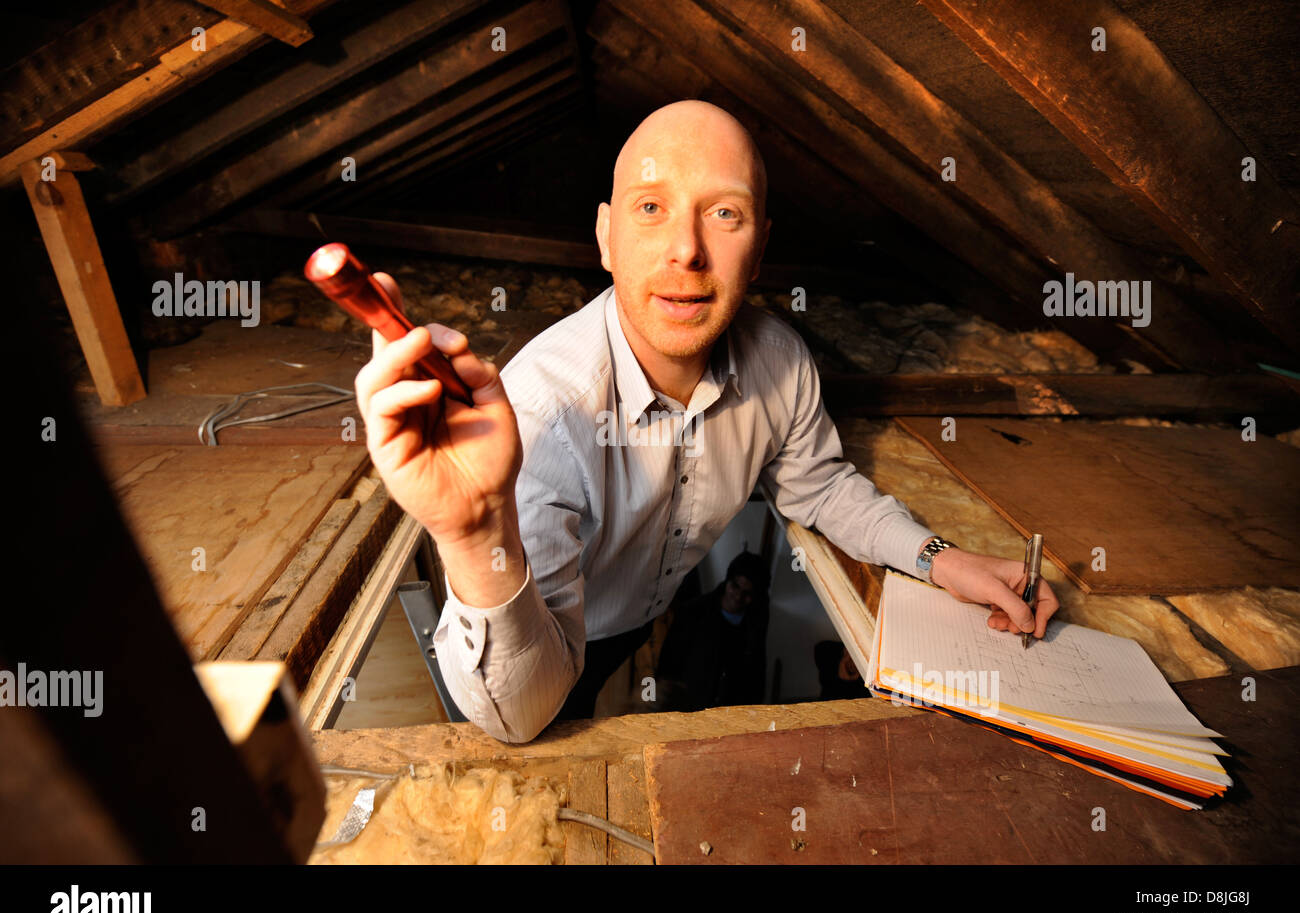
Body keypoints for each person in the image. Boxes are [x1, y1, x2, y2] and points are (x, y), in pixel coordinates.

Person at [353, 100, 1060, 742]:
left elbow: (821, 487)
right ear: (605, 237)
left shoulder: (779, 360)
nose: (686, 250)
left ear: (758, 249)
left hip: (648, 611)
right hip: (559, 632)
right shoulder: (545, 410)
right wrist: (477, 535)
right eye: (651, 207)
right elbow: (517, 714)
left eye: (724, 214)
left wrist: (941, 559)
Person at [657, 551, 770, 711]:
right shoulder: (692, 613)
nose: (738, 596)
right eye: (735, 586)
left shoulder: (754, 627)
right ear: (727, 582)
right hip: (687, 710)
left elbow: (756, 677)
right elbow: (668, 666)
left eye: (747, 593)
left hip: (727, 717)